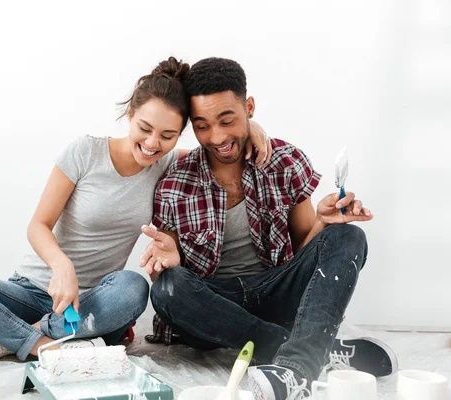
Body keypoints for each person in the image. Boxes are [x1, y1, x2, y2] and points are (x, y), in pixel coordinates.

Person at [0, 57, 272, 363]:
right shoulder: (84, 152)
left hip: (95, 304)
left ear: (179, 136)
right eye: (145, 128)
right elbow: (38, 224)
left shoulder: (165, 165)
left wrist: (252, 127)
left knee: (133, 288)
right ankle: (41, 344)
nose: (151, 144)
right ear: (130, 114)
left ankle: (12, 337)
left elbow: (217, 148)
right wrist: (61, 266)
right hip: (37, 292)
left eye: (167, 136)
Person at [138, 57, 397, 400]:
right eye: (202, 125)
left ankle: (294, 368)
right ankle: (313, 352)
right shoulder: (175, 182)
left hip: (275, 290)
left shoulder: (284, 161)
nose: (216, 137)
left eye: (227, 120)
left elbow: (305, 253)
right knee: (168, 288)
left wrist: (322, 220)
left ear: (249, 107)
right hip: (216, 305)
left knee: (349, 235)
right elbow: (170, 274)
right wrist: (167, 261)